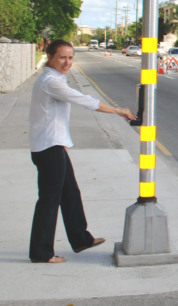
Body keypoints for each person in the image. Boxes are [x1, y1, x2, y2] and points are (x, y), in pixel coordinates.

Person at [29, 39, 136, 264]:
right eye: (62, 57)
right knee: (49, 201)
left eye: (70, 57)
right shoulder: (51, 82)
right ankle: (41, 253)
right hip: (49, 148)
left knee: (70, 194)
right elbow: (85, 100)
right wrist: (118, 110)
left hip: (54, 145)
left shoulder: (55, 78)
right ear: (50, 57)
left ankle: (81, 239)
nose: (67, 62)